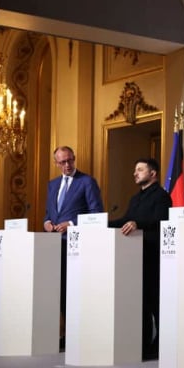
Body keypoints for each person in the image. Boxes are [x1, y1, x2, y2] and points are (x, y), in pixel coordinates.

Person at [109, 157, 172, 361]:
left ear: (153, 173)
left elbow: (160, 220)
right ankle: (143, 344)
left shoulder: (162, 196)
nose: (135, 173)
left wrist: (138, 224)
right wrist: (102, 223)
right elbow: (126, 220)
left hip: (153, 256)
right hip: (134, 257)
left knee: (155, 303)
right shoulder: (136, 198)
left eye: (140, 170)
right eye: (135, 170)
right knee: (141, 303)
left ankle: (162, 344)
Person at [43, 146, 103, 349]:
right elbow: (49, 213)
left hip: (77, 246)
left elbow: (97, 213)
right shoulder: (52, 184)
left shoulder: (87, 182)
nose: (67, 165)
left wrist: (72, 224)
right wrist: (47, 222)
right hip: (54, 245)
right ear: (56, 163)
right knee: (59, 291)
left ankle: (76, 335)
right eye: (62, 162)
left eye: (70, 160)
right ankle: (64, 333)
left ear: (74, 159)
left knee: (74, 291)